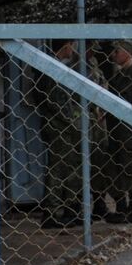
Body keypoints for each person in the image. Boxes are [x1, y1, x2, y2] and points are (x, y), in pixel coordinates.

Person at [92, 40, 132, 225]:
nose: (113, 55)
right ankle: (122, 206)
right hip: (116, 132)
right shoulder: (118, 75)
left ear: (127, 52)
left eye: (117, 51)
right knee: (116, 169)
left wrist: (127, 112)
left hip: (131, 132)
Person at [34, 41, 86, 228]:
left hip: (62, 126)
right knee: (58, 169)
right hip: (59, 127)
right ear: (65, 46)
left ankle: (68, 208)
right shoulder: (51, 68)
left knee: (69, 167)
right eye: (71, 46)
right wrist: (71, 120)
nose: (73, 50)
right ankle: (52, 212)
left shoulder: (54, 67)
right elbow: (55, 101)